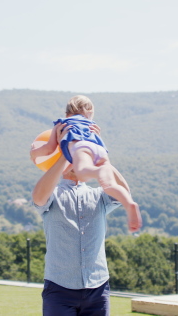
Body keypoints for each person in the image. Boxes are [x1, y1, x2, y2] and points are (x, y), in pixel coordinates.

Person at [32, 124, 141, 316]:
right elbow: (38, 198)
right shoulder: (53, 194)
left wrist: (100, 153)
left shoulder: (98, 195)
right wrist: (65, 154)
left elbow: (124, 192)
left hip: (97, 288)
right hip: (59, 289)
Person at [31, 95, 141, 232]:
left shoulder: (62, 125)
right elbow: (39, 198)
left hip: (82, 150)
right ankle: (128, 203)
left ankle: (98, 171)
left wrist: (40, 151)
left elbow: (48, 148)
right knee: (108, 181)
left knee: (83, 172)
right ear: (89, 114)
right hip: (99, 149)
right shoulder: (90, 126)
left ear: (66, 113)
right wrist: (96, 150)